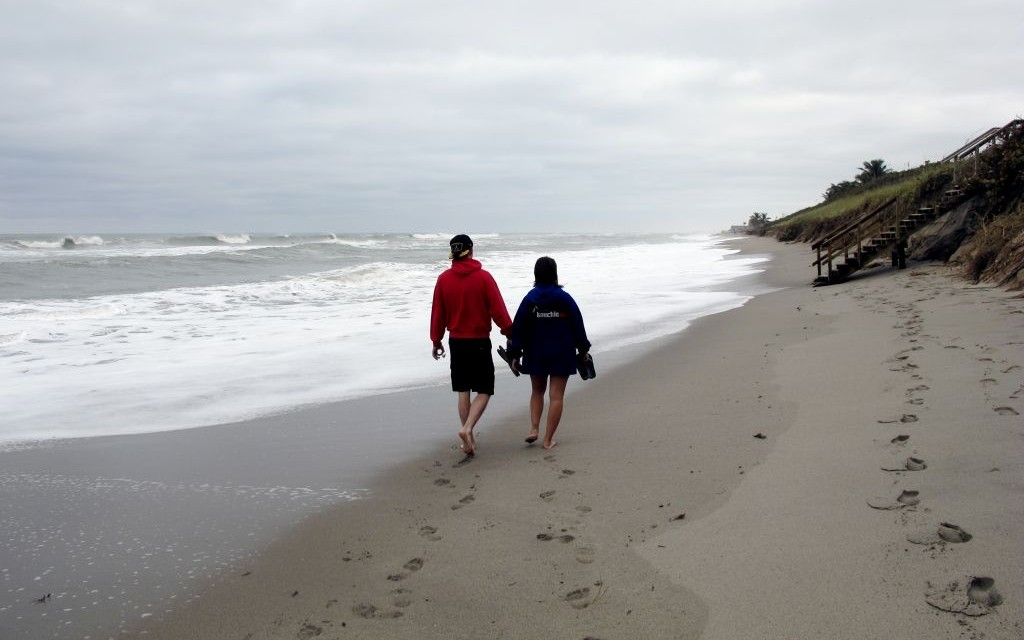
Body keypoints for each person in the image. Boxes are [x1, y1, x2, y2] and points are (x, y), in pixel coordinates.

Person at [430, 234, 513, 456]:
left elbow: (438, 314)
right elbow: (498, 310)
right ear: (471, 251)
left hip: (456, 342)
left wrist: (436, 340)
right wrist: (509, 332)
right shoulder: (484, 278)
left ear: (453, 254)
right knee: (485, 389)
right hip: (479, 342)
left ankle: (469, 439)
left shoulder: (443, 280)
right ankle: (467, 429)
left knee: (463, 390)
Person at [507, 257, 590, 450]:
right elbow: (578, 326)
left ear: (536, 274)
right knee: (556, 396)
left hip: (536, 351)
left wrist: (514, 353)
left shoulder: (529, 299)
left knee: (537, 390)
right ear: (555, 274)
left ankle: (534, 429)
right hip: (562, 351)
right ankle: (547, 440)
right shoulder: (565, 298)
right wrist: (583, 349)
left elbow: (518, 328)